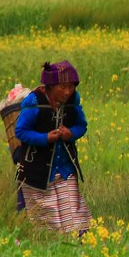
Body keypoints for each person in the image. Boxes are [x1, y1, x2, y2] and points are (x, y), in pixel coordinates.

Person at [14, 60, 91, 234]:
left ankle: (79, 244)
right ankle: (52, 249)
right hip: (37, 170)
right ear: (49, 86)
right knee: (46, 218)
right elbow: (21, 131)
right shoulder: (34, 102)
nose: (67, 92)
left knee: (73, 212)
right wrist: (45, 138)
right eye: (62, 87)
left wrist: (70, 133)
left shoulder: (72, 102)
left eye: (71, 87)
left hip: (64, 168)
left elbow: (82, 126)